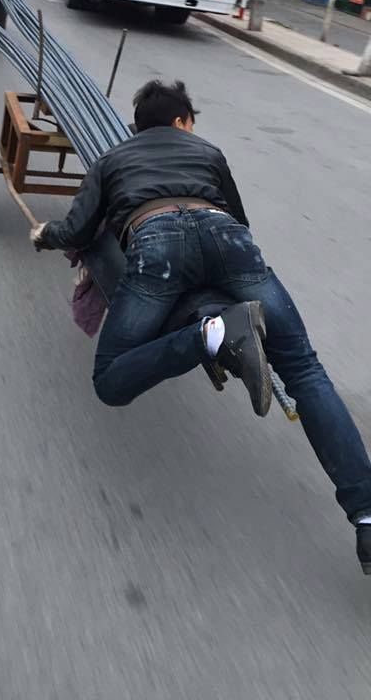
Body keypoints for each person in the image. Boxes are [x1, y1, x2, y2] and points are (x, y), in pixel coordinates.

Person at [31, 79, 371, 574]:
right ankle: (366, 515)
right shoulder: (207, 152)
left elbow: (78, 230)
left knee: (110, 379)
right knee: (305, 371)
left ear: (139, 126)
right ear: (182, 122)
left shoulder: (111, 159)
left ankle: (210, 335)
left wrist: (45, 235)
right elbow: (240, 220)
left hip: (157, 244)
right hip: (227, 238)